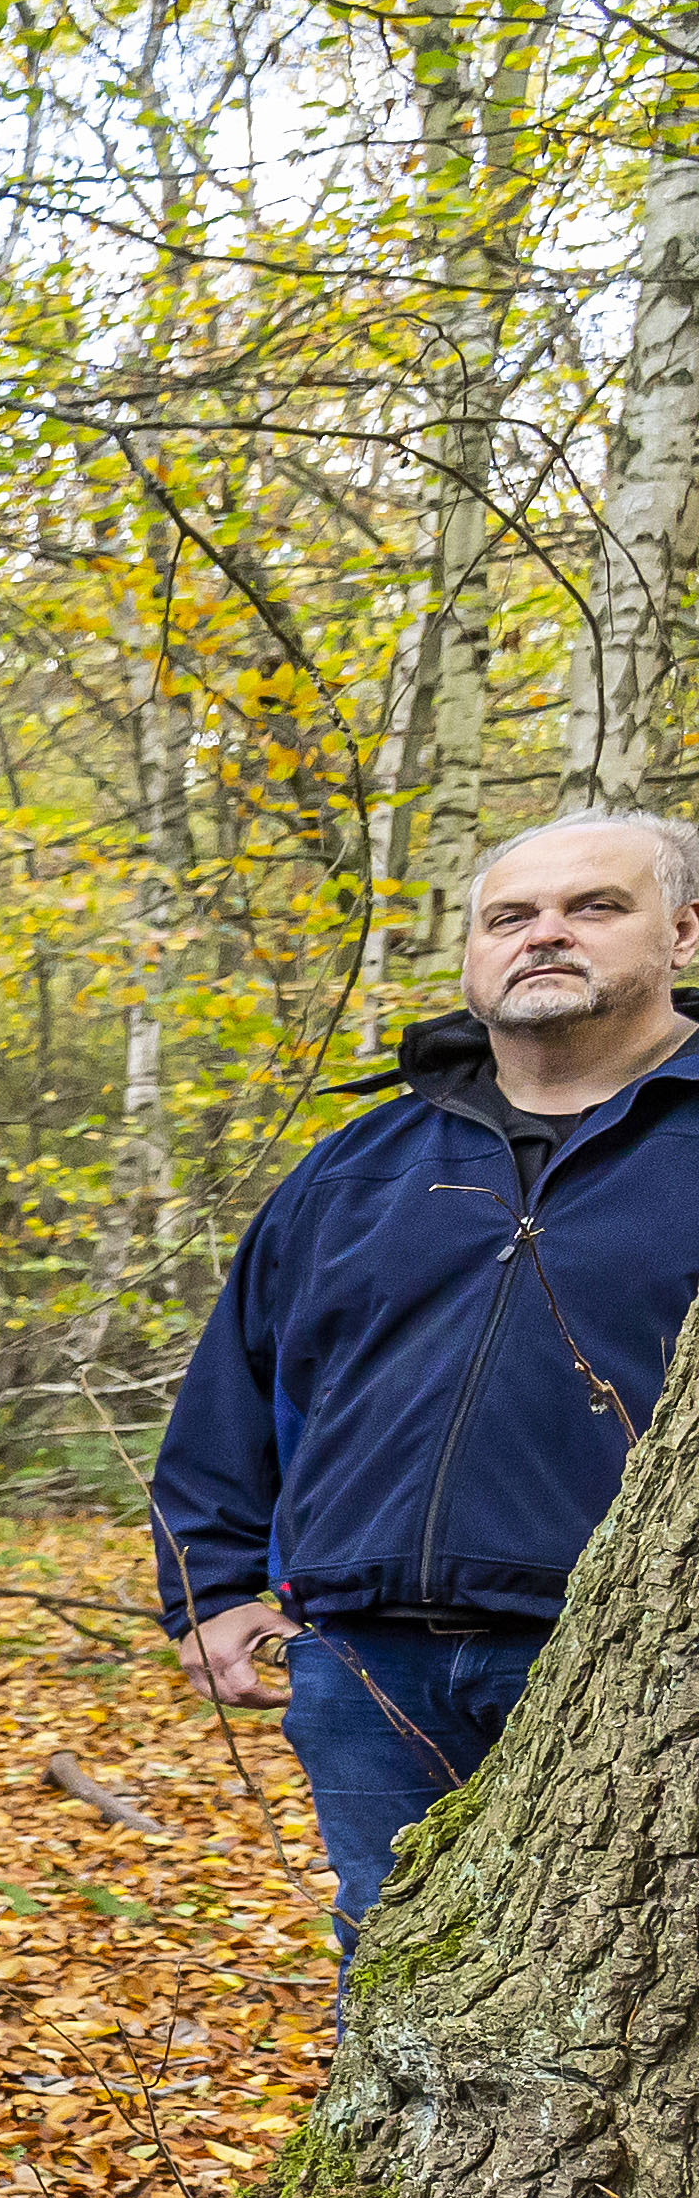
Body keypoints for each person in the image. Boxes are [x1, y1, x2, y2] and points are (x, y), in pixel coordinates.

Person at [157, 811, 699, 1951]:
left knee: (630, 1982)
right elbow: (236, 1383)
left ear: (681, 934)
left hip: (629, 1662)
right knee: (399, 1967)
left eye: (595, 908)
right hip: (364, 1662)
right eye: (512, 915)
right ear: (474, 952)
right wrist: (209, 1586)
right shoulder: (360, 1163)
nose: (546, 935)